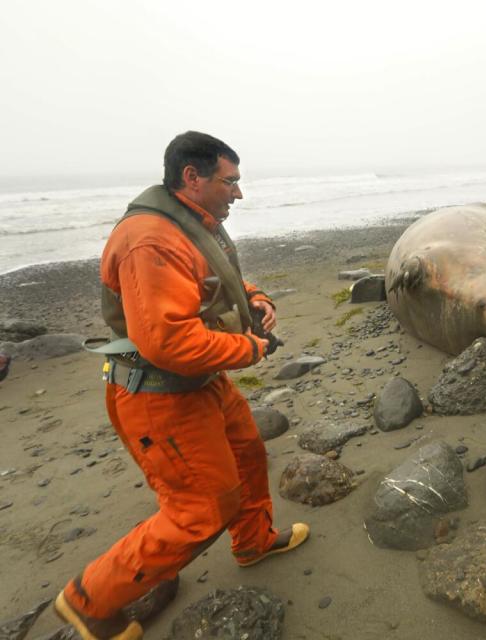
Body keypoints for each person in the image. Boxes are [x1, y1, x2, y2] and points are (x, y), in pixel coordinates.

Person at [55, 131, 309, 640]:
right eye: (229, 181)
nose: (237, 193)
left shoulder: (196, 223)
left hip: (199, 383)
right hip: (156, 395)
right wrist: (252, 349)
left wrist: (253, 297)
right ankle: (88, 603)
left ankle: (253, 541)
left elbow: (216, 282)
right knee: (201, 509)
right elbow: (166, 343)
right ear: (192, 178)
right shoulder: (149, 239)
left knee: (248, 456)